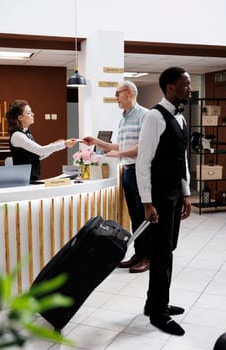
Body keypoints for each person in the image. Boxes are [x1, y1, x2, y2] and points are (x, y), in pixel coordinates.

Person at [136, 67, 191, 336]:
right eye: (186, 84)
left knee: (167, 249)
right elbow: (142, 163)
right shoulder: (154, 118)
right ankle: (158, 313)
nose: (189, 89)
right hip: (157, 196)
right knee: (160, 253)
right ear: (170, 87)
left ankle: (154, 303)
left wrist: (187, 192)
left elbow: (182, 159)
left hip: (175, 194)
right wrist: (147, 202)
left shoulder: (180, 118)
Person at [82, 80, 150, 273]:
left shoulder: (144, 115)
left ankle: (148, 256)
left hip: (141, 172)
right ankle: (138, 253)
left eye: (117, 93)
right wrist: (96, 141)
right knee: (135, 216)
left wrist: (118, 155)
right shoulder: (123, 118)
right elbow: (118, 146)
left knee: (144, 217)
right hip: (127, 172)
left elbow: (142, 147)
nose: (115, 98)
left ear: (129, 93)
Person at [6, 99, 77, 181]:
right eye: (29, 113)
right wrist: (64, 144)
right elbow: (40, 150)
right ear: (20, 117)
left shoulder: (27, 134)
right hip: (23, 180)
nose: (33, 114)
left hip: (32, 177)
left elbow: (38, 156)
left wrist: (54, 145)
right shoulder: (17, 135)